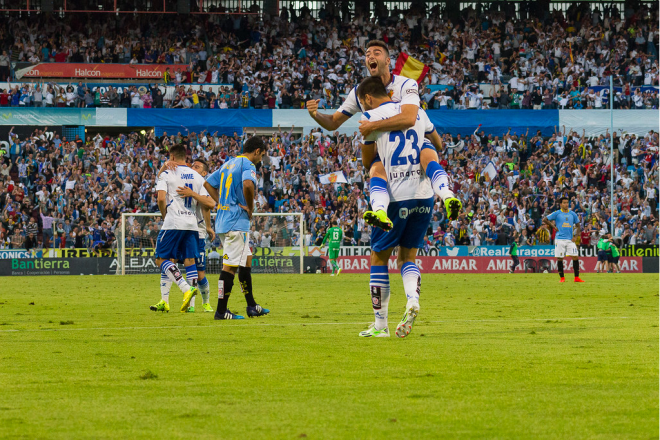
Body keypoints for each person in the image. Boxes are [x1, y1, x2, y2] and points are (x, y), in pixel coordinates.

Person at [306, 40, 462, 227]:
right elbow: (332, 123)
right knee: (377, 167)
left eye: (376, 53)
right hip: (387, 152)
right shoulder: (360, 92)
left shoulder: (405, 84)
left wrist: (373, 126)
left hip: (411, 147)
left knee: (424, 151)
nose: (370, 56)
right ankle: (381, 211)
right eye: (367, 54)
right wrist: (315, 114)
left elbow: (410, 118)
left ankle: (445, 196)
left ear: (388, 61)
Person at [354, 77, 435, 339]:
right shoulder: (416, 111)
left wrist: (373, 136)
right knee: (407, 258)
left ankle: (380, 326)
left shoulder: (371, 116)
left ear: (367, 98)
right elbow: (438, 144)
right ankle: (412, 299)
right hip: (424, 194)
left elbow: (368, 162)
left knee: (379, 258)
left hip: (395, 195)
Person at [205, 136, 270, 320]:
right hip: (236, 223)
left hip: (225, 220)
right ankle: (220, 310)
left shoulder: (228, 164)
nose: (261, 159)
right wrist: (250, 207)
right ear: (256, 151)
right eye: (262, 155)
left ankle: (251, 306)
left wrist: (221, 203)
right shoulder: (248, 165)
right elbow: (248, 185)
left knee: (245, 261)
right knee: (229, 268)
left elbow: (208, 183)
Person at [152, 144, 213, 313]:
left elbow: (161, 198)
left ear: (171, 157)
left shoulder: (167, 173)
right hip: (192, 225)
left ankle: (186, 288)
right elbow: (210, 201)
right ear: (185, 157)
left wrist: (165, 215)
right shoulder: (197, 176)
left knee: (161, 259)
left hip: (173, 222)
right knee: (188, 260)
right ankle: (172, 302)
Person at [543, 197, 585, 283]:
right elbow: (545, 219)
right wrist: (554, 227)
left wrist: (576, 236)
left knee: (575, 256)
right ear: (561, 204)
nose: (566, 204)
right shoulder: (557, 213)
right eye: (564, 203)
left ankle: (576, 277)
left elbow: (578, 225)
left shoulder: (572, 214)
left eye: (567, 203)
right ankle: (562, 278)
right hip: (560, 239)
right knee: (560, 258)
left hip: (570, 239)